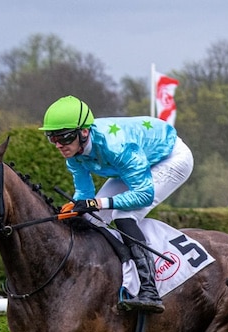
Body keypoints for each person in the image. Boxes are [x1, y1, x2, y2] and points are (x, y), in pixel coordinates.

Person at [40, 95, 194, 313]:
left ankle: (149, 289)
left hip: (170, 158)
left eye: (63, 137)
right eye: (52, 138)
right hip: (133, 165)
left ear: (84, 132)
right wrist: (75, 208)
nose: (58, 145)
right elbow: (84, 194)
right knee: (90, 218)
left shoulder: (116, 146)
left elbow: (143, 195)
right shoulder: (72, 153)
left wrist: (98, 202)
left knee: (123, 215)